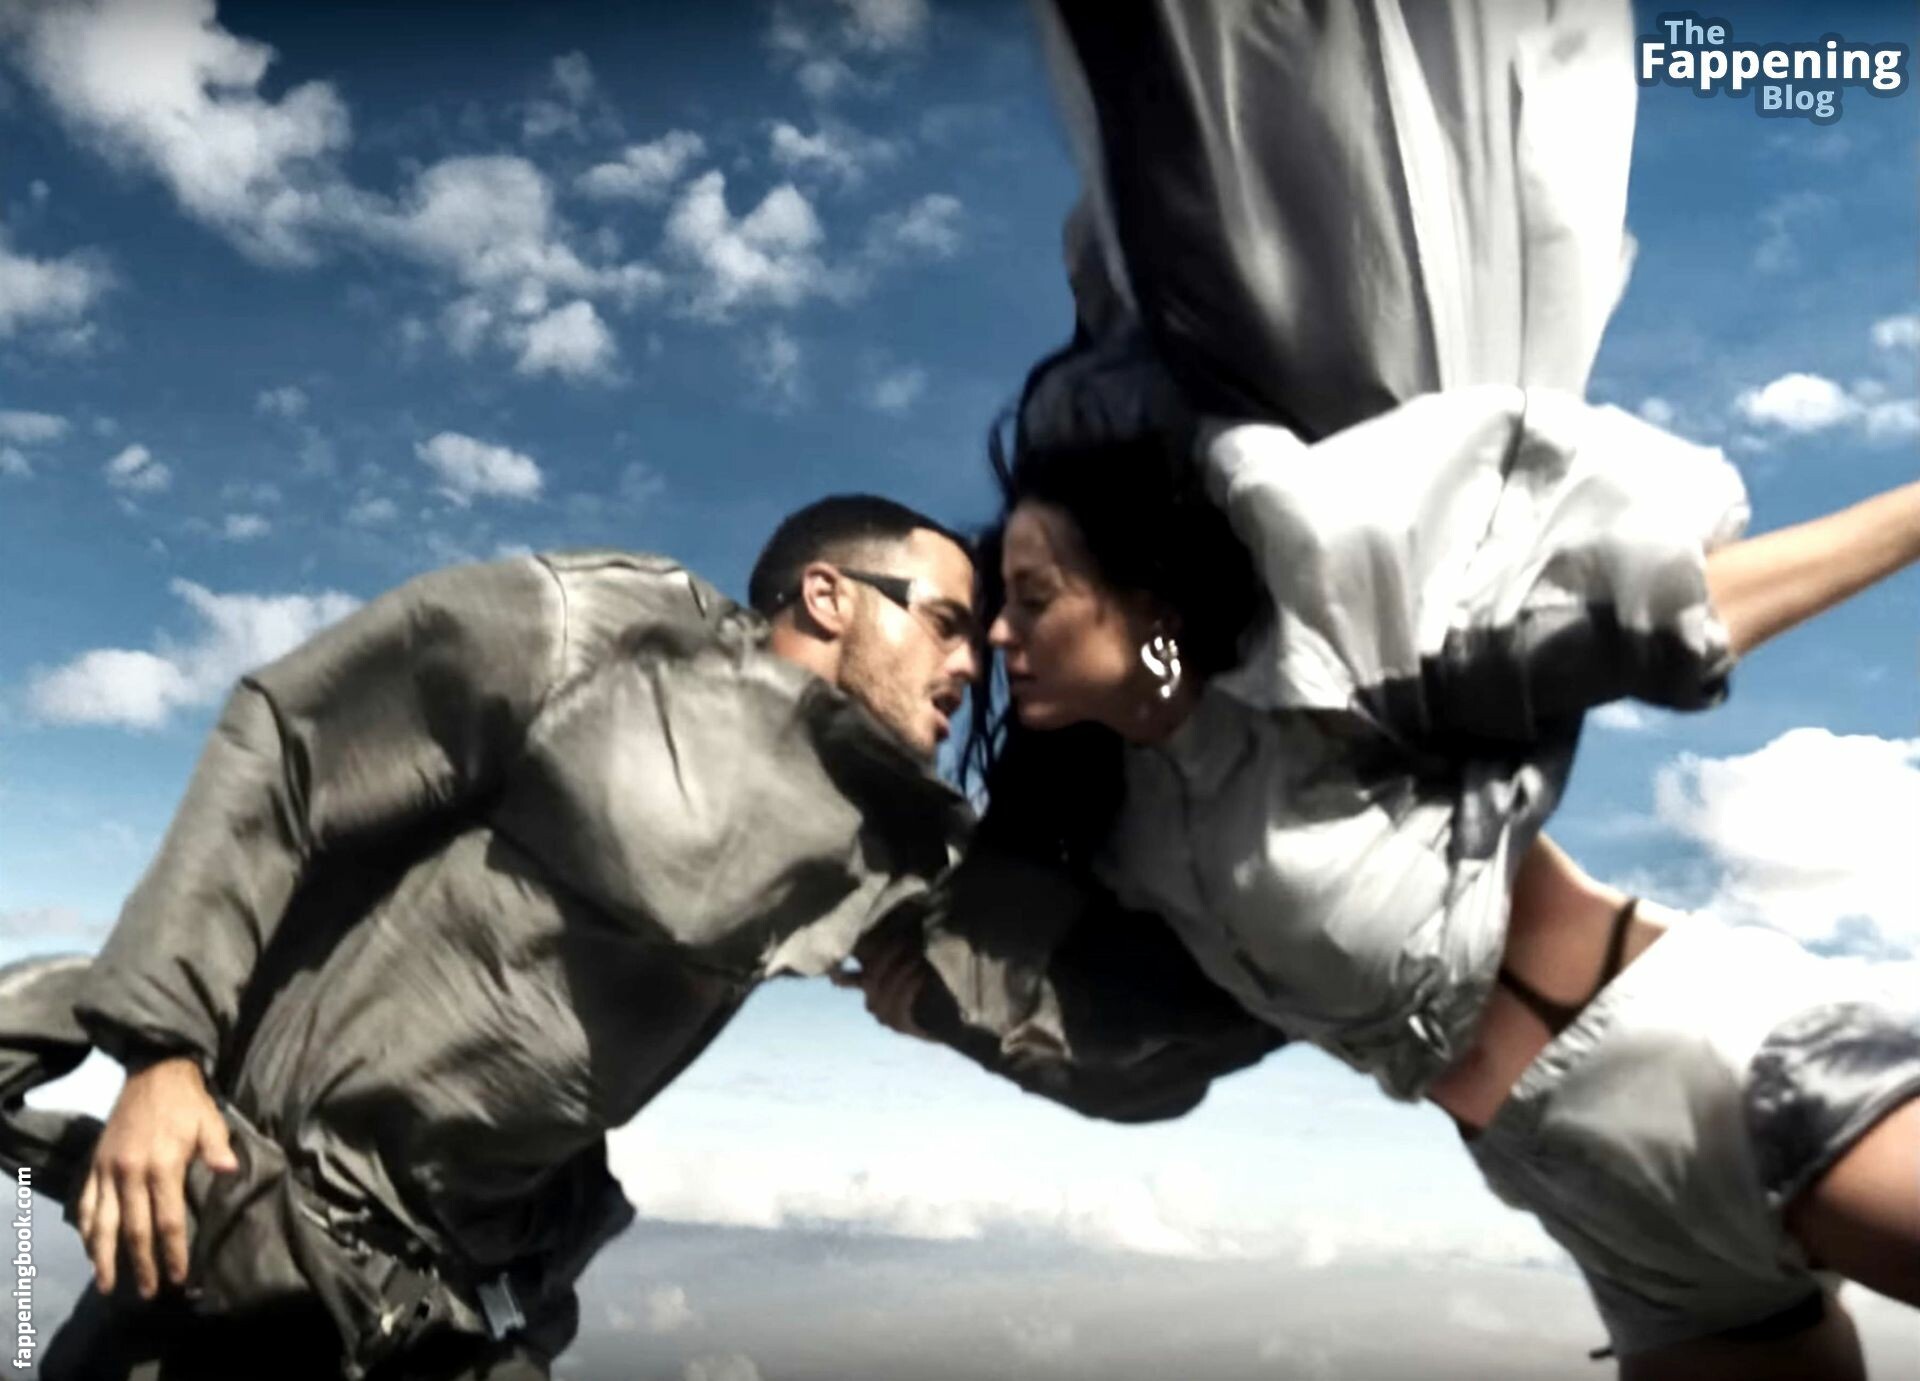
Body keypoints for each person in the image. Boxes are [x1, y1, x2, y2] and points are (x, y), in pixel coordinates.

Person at [849, 2, 1920, 1374]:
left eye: (1035, 596)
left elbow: (1673, 609)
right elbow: (1145, 1053)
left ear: (1148, 601)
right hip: (1574, 1190)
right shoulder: (1133, 837)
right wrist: (945, 1005)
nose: (1004, 635)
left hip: (1705, 1066)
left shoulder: (1334, 672)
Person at [2, 495, 1003, 1380]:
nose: (967, 662)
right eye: (947, 623)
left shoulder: (880, 827)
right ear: (828, 596)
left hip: (467, 1313)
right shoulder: (601, 635)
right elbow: (293, 740)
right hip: (249, 1271)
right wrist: (165, 1052)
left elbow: (1023, 963)